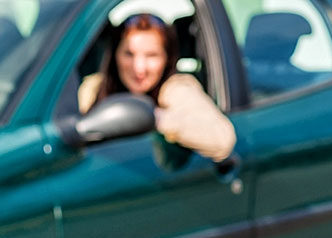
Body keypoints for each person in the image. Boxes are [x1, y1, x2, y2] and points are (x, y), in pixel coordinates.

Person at [79, 12, 236, 162]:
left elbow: (222, 140)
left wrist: (158, 118)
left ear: (167, 59)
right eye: (129, 54)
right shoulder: (94, 87)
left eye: (152, 56)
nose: (139, 68)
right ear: (114, 55)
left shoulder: (176, 89)